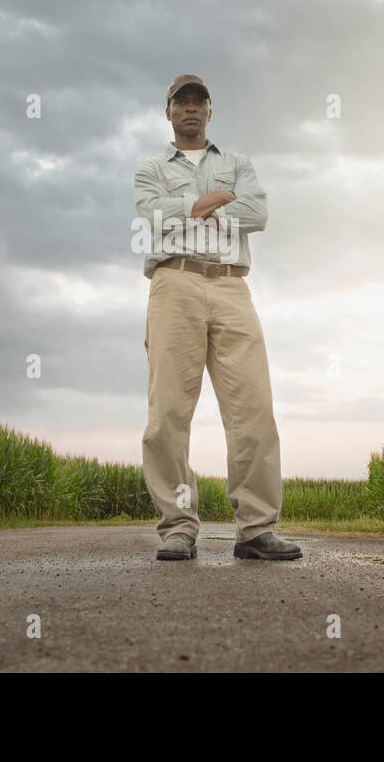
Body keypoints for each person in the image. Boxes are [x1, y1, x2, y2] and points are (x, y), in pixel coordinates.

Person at [133, 74, 302, 562]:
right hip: (174, 282)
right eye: (180, 102)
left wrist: (191, 209)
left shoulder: (237, 164)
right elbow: (155, 215)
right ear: (168, 112)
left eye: (198, 101)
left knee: (253, 408)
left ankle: (254, 531)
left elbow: (259, 213)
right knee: (167, 412)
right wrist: (221, 200)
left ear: (210, 111)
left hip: (231, 285)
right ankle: (178, 528)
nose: (189, 108)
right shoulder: (150, 168)